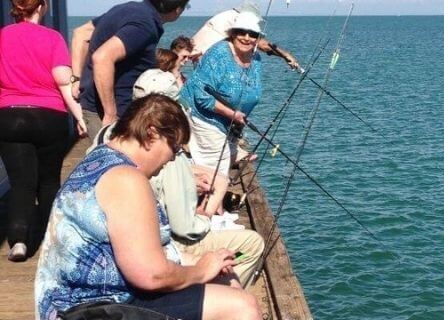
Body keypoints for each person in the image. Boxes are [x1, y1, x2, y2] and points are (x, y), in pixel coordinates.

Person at [35, 94, 261, 320]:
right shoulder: (127, 180)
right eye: (174, 147)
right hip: (91, 310)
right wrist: (201, 270)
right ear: (151, 134)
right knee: (243, 306)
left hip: (74, 302)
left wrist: (205, 262)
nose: (172, 159)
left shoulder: (100, 160)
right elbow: (151, 275)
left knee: (225, 280)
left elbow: (136, 253)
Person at [90, 73, 265, 289]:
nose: (173, 155)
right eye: (174, 146)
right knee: (251, 245)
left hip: (123, 253)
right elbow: (184, 229)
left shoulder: (109, 136)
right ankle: (217, 291)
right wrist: (205, 218)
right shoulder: (148, 165)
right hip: (159, 250)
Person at [0, 0, 87, 262]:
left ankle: (18, 241)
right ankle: (53, 238)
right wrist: (80, 116)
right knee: (48, 180)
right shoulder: (52, 38)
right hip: (49, 116)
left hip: (9, 114)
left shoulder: (2, 37)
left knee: (20, 183)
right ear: (42, 7)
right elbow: (62, 80)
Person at [180, 12, 263, 216]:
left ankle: (212, 210)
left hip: (231, 124)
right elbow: (201, 95)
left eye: (252, 34)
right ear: (232, 34)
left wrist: (236, 118)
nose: (246, 37)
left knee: (223, 165)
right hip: (205, 118)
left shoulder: (257, 58)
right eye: (241, 32)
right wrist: (230, 113)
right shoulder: (218, 54)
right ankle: (206, 216)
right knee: (213, 172)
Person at [70, 0, 189, 139]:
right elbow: (102, 57)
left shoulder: (127, 9)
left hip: (94, 106)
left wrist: (77, 78)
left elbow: (81, 33)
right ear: (177, 10)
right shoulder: (145, 25)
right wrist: (110, 114)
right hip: (115, 114)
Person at [191, 2, 299, 70]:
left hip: (198, 57)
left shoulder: (225, 16)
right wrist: (286, 55)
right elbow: (262, 44)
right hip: (204, 60)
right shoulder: (235, 19)